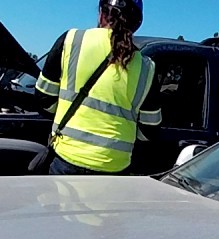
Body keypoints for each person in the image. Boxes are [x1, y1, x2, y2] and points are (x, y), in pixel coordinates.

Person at [35, 0, 162, 175]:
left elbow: (43, 98)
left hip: (67, 158)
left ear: (101, 13)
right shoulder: (147, 67)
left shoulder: (72, 40)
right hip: (114, 168)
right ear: (136, 24)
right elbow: (150, 130)